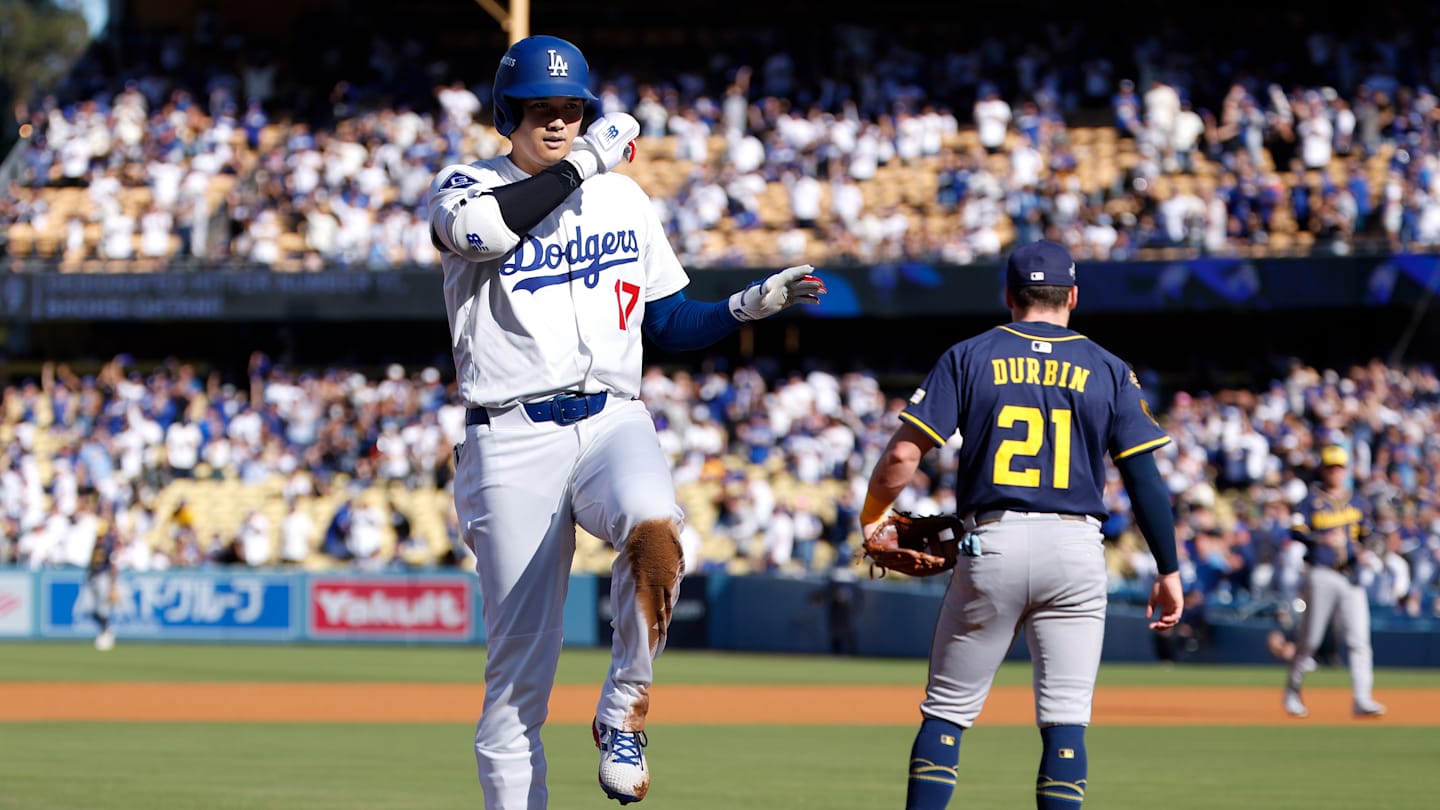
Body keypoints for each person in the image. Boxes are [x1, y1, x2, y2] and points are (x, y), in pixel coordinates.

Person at [424, 34, 826, 809]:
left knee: (656, 529)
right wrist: (585, 164)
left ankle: (623, 709)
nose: (559, 121)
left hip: (612, 415)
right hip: (510, 436)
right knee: (517, 679)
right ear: (509, 112)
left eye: (572, 109)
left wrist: (748, 305)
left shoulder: (621, 197)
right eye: (542, 109)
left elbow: (665, 323)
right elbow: (482, 235)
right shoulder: (466, 184)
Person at [858, 239, 1183, 809]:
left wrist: (872, 515)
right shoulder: (1108, 368)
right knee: (1065, 723)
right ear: (1073, 297)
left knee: (948, 714)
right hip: (1077, 549)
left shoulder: (970, 354)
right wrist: (1169, 568)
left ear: (1007, 295)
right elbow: (1145, 479)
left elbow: (902, 458)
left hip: (994, 543)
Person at [1282, 444, 1386, 718]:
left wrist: (1366, 552)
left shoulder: (1357, 501)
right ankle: (1292, 692)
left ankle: (1362, 698)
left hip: (1351, 576)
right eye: (1331, 467)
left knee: (1359, 640)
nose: (1335, 472)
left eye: (1339, 467)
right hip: (1321, 573)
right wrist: (1321, 539)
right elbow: (1295, 531)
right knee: (1310, 640)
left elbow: (1369, 536)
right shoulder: (1310, 500)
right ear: (1323, 469)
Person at [85, 505, 121, 651]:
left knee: (103, 608)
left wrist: (113, 584)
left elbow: (114, 565)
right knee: (89, 607)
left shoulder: (109, 543)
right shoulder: (94, 543)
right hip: (92, 576)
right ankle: (106, 629)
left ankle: (106, 631)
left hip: (103, 576)